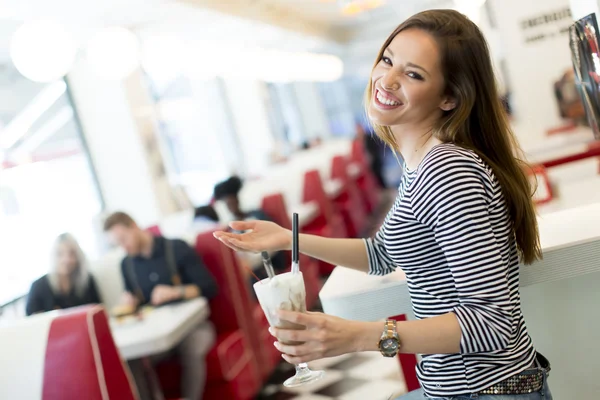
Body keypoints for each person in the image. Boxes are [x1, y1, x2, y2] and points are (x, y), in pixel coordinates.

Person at [214, 10, 552, 400]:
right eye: (388, 60)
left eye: (413, 74)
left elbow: (493, 323)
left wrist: (357, 336)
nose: (387, 80)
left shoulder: (448, 171)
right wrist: (287, 237)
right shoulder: (420, 163)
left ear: (449, 97)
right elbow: (384, 254)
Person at [104, 212, 217, 400]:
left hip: (193, 326)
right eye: (118, 244)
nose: (124, 246)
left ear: (134, 226)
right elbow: (136, 301)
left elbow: (209, 287)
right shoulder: (127, 264)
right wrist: (130, 302)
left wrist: (176, 292)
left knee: (193, 347)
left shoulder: (176, 248)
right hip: (158, 332)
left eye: (124, 239)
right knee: (133, 360)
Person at [213, 176, 287, 280]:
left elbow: (274, 243)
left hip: (270, 264)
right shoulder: (230, 227)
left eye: (231, 202)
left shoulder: (256, 217)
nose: (230, 207)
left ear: (237, 200)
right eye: (227, 204)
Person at [26, 233, 101, 316]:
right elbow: (31, 320)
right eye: (60, 254)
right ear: (53, 256)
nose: (67, 260)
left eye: (72, 254)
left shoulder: (87, 281)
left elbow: (98, 311)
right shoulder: (38, 286)